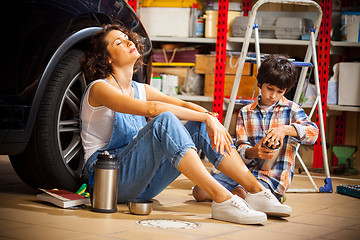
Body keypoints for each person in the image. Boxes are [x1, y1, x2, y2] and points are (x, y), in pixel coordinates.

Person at [80, 24, 291, 225]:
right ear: (107, 58)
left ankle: (255, 191)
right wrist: (207, 118)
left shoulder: (140, 88)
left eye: (127, 38)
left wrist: (210, 119)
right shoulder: (99, 89)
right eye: (119, 42)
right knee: (165, 120)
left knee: (198, 125)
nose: (128, 42)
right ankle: (222, 199)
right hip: (108, 182)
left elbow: (183, 103)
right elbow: (152, 109)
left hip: (143, 185)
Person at [192, 54, 319, 209]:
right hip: (243, 172)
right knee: (199, 192)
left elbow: (313, 133)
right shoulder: (245, 112)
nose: (273, 96)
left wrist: (285, 129)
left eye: (280, 91)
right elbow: (240, 148)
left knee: (241, 194)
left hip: (272, 176)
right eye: (270, 89)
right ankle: (243, 195)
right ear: (260, 83)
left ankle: (268, 195)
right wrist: (254, 152)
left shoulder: (292, 109)